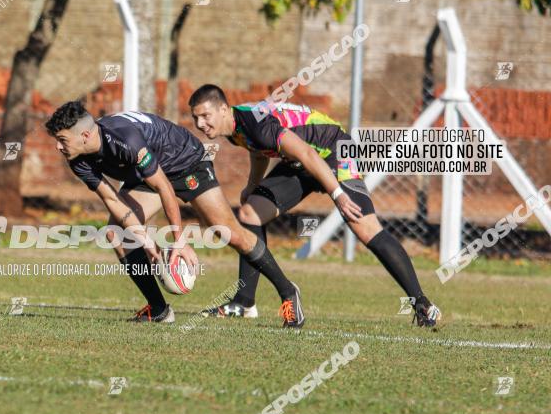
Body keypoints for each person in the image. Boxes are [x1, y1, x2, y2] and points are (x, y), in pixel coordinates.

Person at [188, 84, 441, 327]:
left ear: (223, 109)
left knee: (364, 227)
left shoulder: (253, 123)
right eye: (196, 118)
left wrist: (338, 194)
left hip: (334, 150)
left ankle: (421, 303)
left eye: (205, 116)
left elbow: (307, 153)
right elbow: (258, 150)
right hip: (302, 161)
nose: (200, 124)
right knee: (250, 213)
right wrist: (252, 186)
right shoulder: (236, 127)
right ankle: (244, 302)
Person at [45, 101, 305, 327]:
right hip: (148, 173)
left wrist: (179, 241)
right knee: (116, 231)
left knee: (230, 233)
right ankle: (158, 310)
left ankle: (287, 291)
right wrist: (149, 244)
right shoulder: (77, 157)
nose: (58, 147)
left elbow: (165, 188)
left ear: (86, 135)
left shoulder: (126, 140)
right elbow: (112, 199)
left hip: (185, 160)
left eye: (63, 140)